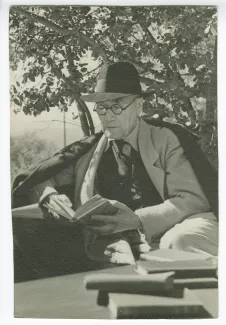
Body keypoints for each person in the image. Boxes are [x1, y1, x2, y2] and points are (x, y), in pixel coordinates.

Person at [13, 62, 218, 267]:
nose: (107, 116)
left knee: (180, 240)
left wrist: (138, 219)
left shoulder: (166, 139)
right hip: (121, 243)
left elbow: (192, 200)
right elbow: (41, 178)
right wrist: (50, 195)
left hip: (179, 226)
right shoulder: (88, 153)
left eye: (117, 106)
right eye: (101, 107)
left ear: (139, 106)